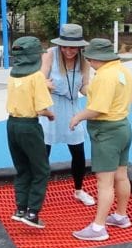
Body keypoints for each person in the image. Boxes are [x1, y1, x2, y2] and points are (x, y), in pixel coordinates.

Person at [69, 38, 132, 242]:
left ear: (96, 58)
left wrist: (78, 117)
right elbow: (107, 94)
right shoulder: (122, 70)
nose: (89, 63)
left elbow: (98, 109)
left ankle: (98, 227)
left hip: (107, 132)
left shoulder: (105, 76)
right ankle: (121, 216)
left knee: (104, 182)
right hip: (123, 127)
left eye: (89, 59)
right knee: (121, 175)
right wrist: (86, 88)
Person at [39, 23, 95, 206]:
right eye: (65, 46)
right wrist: (45, 84)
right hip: (51, 105)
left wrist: (95, 91)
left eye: (73, 47)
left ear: (79, 47)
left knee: (78, 150)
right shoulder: (50, 54)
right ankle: (38, 190)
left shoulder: (84, 60)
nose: (68, 51)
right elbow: (40, 78)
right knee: (44, 151)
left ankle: (78, 190)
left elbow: (84, 86)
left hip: (72, 105)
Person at [6, 36, 55, 228]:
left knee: (23, 168)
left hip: (12, 124)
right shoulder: (37, 77)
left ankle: (20, 209)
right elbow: (41, 108)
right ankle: (33, 212)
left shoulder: (13, 75)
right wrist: (50, 114)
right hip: (29, 126)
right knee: (41, 170)